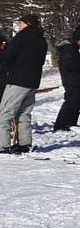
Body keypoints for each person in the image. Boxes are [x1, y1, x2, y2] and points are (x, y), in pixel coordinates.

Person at [0, 14, 48, 154]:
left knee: (5, 112)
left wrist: (6, 67)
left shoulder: (21, 38)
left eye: (20, 23)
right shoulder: (41, 40)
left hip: (17, 80)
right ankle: (25, 143)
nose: (19, 25)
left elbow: (7, 57)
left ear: (27, 24)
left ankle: (3, 144)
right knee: (24, 112)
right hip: (33, 81)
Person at [54, 26, 80, 131]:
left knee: (78, 101)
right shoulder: (69, 49)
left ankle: (71, 122)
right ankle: (61, 124)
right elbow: (69, 65)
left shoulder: (73, 49)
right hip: (71, 80)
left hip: (76, 79)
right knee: (71, 101)